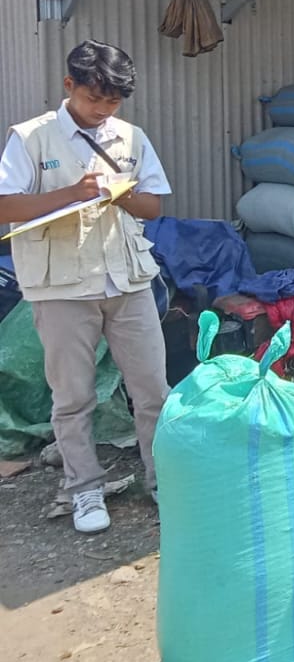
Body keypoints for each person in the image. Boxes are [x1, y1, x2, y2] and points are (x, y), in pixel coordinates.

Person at [0, 40, 171, 534]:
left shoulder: (131, 136)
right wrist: (70, 195)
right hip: (62, 286)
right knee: (73, 396)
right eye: (94, 98)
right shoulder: (31, 137)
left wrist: (122, 196)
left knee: (153, 390)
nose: (102, 110)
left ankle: (163, 481)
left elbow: (154, 204)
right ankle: (84, 489)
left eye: (113, 102)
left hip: (127, 278)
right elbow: (5, 205)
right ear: (69, 85)